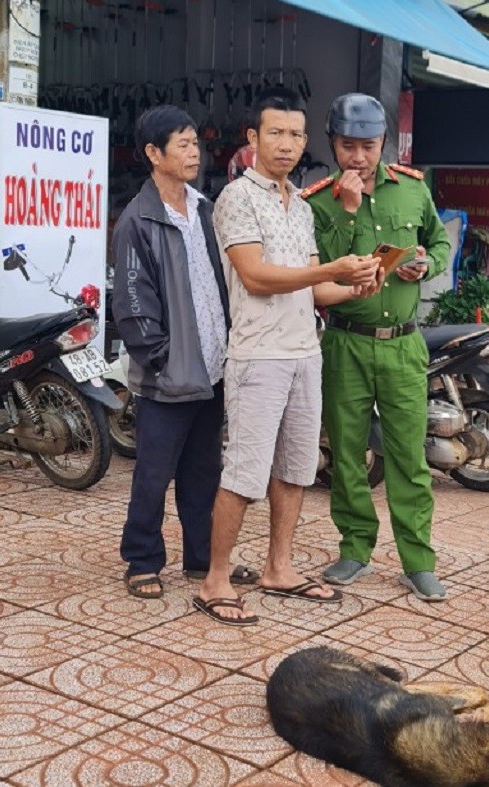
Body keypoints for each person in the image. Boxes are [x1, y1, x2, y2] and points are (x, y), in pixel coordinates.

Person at [195, 87, 382, 625]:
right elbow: (256, 276)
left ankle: (280, 567)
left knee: (297, 469)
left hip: (305, 351)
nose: (287, 144)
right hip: (258, 355)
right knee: (245, 473)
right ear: (252, 138)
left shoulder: (300, 205)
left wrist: (360, 283)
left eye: (296, 135)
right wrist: (332, 270)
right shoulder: (236, 198)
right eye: (275, 132)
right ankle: (215, 580)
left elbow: (314, 292)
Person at [305, 93, 451, 602]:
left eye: (368, 146)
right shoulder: (319, 202)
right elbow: (320, 268)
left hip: (403, 346)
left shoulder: (412, 190)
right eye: (348, 147)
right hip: (345, 341)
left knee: (409, 455)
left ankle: (418, 560)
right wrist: (347, 214)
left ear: (383, 142)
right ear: (333, 145)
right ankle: (355, 548)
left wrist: (427, 265)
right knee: (347, 453)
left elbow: (439, 241)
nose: (359, 159)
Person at [112, 105, 238, 599]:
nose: (193, 152)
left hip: (213, 368)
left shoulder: (206, 209)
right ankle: (142, 558)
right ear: (153, 153)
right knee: (153, 473)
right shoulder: (137, 221)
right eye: (182, 144)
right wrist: (162, 357)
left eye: (194, 143)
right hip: (168, 373)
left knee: (203, 470)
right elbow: (132, 300)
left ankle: (200, 558)